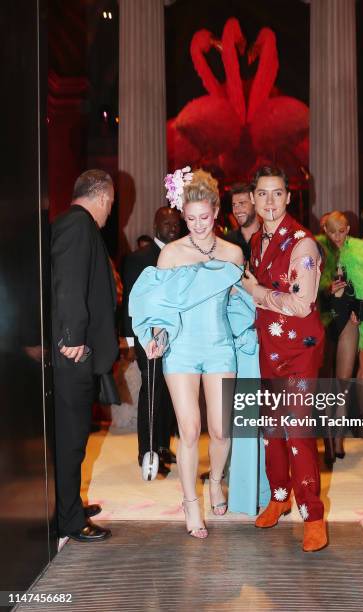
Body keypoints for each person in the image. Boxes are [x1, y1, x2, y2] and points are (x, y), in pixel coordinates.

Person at [130, 168, 267, 537]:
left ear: (216, 211)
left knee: (222, 430)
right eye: (190, 219)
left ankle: (216, 480)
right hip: (182, 351)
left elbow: (241, 305)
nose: (197, 225)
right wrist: (156, 334)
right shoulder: (171, 255)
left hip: (220, 346)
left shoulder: (233, 253)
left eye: (204, 217)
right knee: (189, 430)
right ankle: (190, 503)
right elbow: (160, 309)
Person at [242, 166, 327, 552]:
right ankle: (279, 496)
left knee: (297, 430)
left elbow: (301, 302)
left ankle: (313, 514)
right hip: (271, 348)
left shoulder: (302, 243)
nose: (270, 202)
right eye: (262, 194)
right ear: (254, 199)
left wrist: (255, 292)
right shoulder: (257, 240)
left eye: (277, 194)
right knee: (272, 429)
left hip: (300, 351)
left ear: (289, 198)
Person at [51, 169, 118, 542]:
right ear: (104, 197)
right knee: (72, 437)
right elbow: (69, 282)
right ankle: (70, 520)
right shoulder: (78, 226)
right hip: (72, 352)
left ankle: (68, 503)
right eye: (112, 202)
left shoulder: (72, 224)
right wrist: (72, 335)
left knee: (72, 434)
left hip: (73, 349)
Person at [121, 206, 181, 474]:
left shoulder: (183, 255)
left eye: (175, 223)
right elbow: (130, 306)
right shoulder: (139, 258)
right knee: (152, 391)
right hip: (150, 338)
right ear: (156, 225)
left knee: (170, 392)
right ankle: (147, 451)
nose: (172, 227)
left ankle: (163, 446)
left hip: (178, 336)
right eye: (167, 223)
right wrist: (133, 343)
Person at [317, 211, 363, 460]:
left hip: (348, 320)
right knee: (323, 382)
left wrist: (359, 313)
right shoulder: (315, 248)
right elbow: (305, 283)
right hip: (321, 319)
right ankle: (326, 437)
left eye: (342, 231)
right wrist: (326, 287)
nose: (338, 237)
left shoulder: (361, 250)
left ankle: (338, 438)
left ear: (348, 228)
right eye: (332, 232)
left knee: (342, 382)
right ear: (324, 230)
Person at [225, 183, 261, 261]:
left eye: (242, 203)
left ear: (255, 204)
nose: (237, 210)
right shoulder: (228, 240)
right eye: (234, 205)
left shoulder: (269, 238)